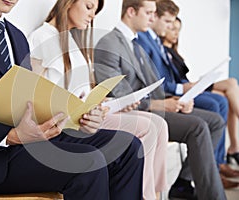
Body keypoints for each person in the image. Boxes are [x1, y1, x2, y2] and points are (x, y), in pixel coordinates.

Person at [0, 0, 145, 199]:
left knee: (127, 147)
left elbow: (28, 102)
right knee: (88, 161)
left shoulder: (17, 37)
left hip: (31, 141)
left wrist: (80, 118)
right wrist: (11, 136)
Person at [28, 0, 168, 199]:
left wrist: (106, 103)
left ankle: (153, 194)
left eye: (95, 10)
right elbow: (33, 95)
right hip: (66, 122)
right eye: (88, 7)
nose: (93, 15)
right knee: (147, 128)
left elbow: (85, 90)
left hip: (85, 116)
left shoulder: (74, 41)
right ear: (68, 3)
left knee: (156, 124)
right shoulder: (41, 37)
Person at [94, 0, 226, 199]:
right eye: (148, 13)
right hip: (135, 112)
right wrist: (161, 104)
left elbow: (154, 85)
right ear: (131, 12)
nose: (152, 18)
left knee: (214, 121)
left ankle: (183, 183)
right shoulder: (110, 42)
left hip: (152, 107)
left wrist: (175, 100)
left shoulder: (135, 44)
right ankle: (212, 196)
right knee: (197, 126)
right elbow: (118, 96)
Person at [136, 0, 237, 189]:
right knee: (216, 105)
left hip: (173, 92)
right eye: (168, 23)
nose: (171, 29)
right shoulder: (143, 41)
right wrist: (181, 91)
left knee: (220, 101)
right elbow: (156, 82)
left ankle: (211, 167)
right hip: (164, 97)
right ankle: (211, 167)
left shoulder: (157, 43)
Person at [163, 17, 239, 168]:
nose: (176, 33)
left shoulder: (173, 52)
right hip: (184, 88)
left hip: (188, 85)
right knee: (229, 87)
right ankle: (222, 159)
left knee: (226, 94)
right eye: (172, 28)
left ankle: (227, 154)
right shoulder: (161, 51)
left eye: (178, 29)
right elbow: (172, 82)